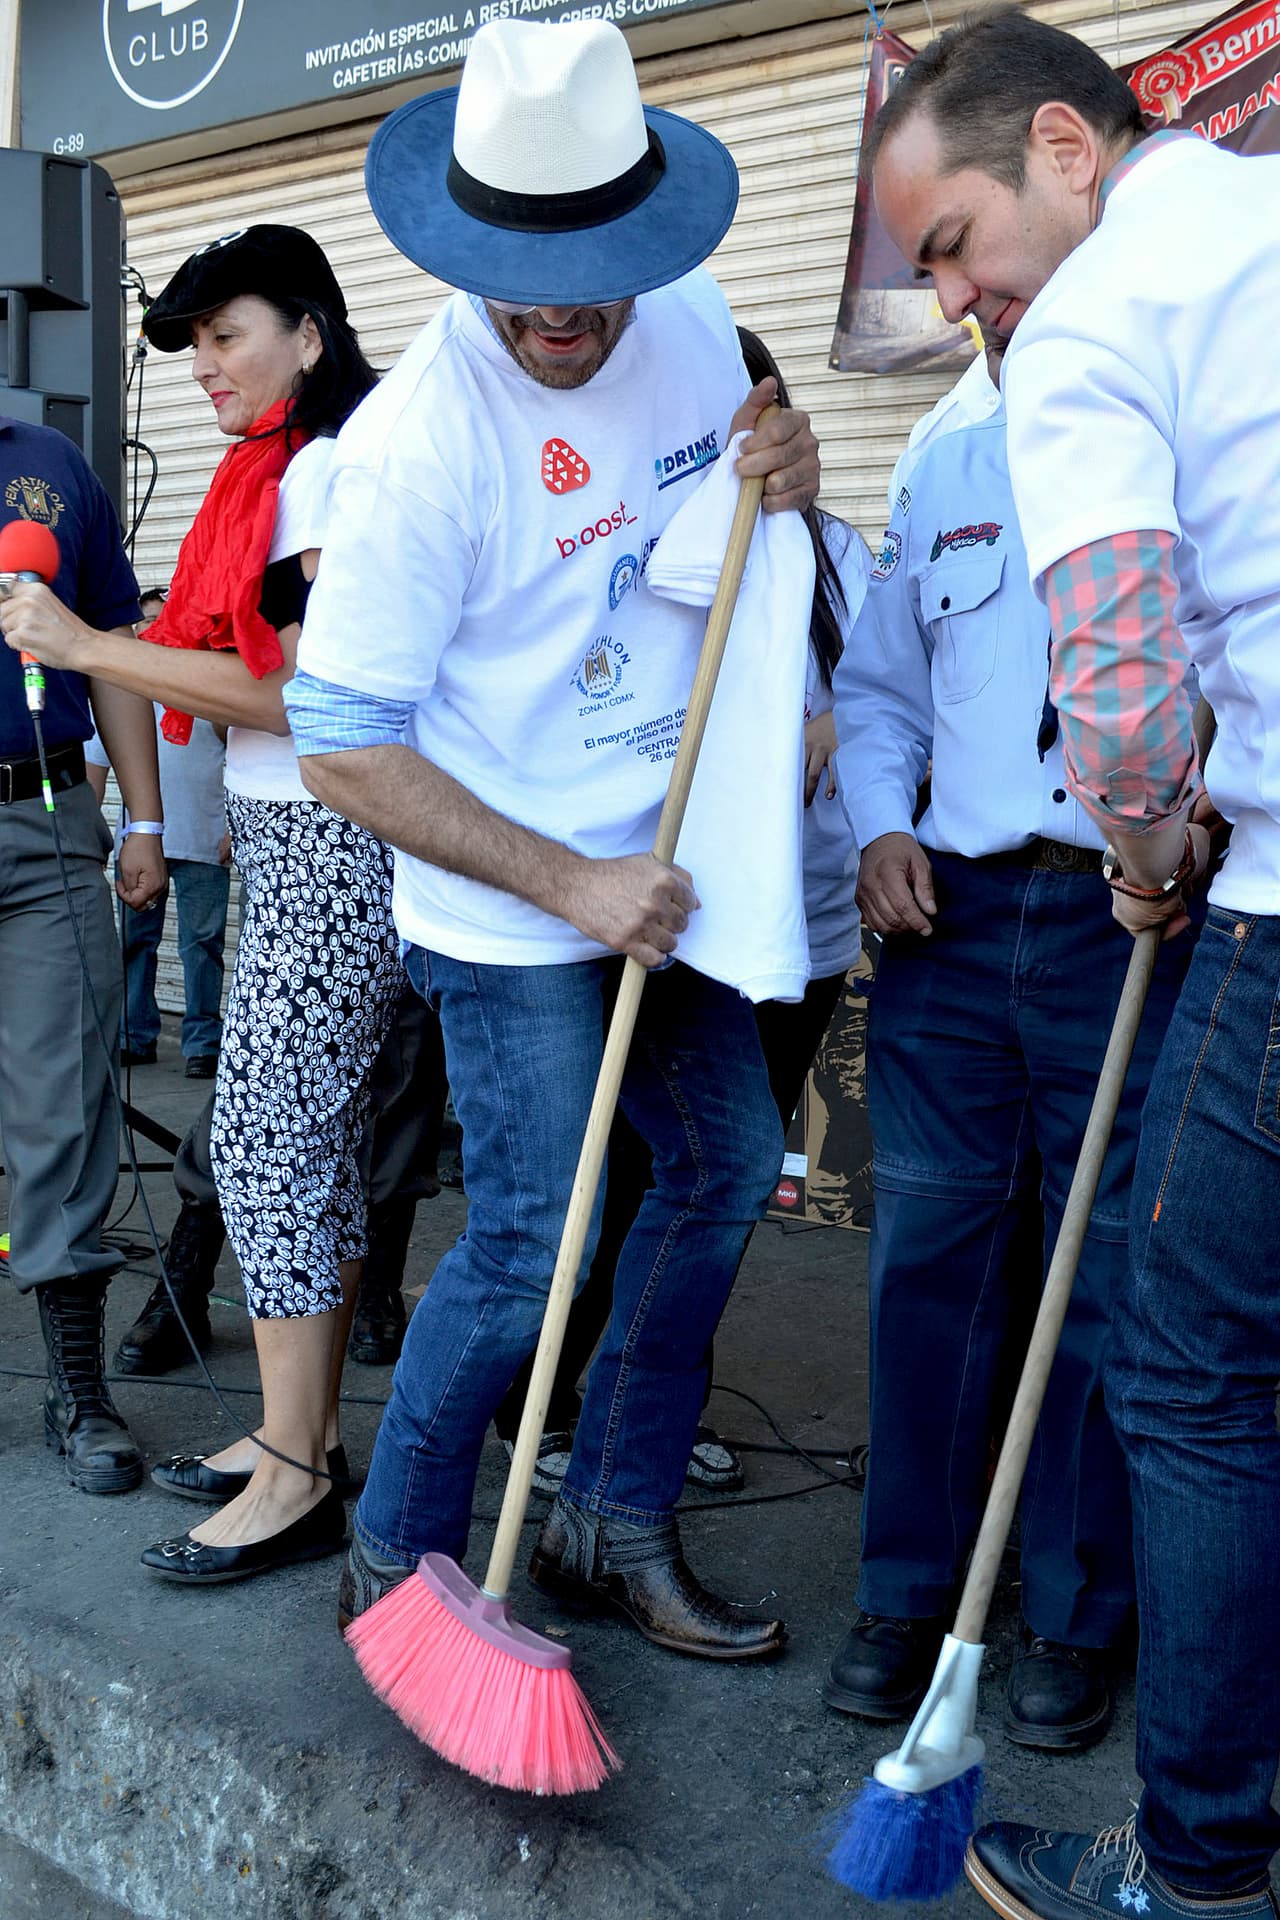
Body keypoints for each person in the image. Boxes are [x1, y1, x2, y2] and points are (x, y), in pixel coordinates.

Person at [286, 19, 820, 1659]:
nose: (576, 309)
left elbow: (752, 433)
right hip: (509, 896)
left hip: (669, 851)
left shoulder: (694, 312)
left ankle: (610, 1513)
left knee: (727, 1165)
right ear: (465, 247)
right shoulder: (407, 453)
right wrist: (570, 880)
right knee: (535, 1237)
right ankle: (402, 1549)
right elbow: (343, 750)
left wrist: (787, 456)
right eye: (538, 280)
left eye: (607, 267)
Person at [866, 9, 1280, 1918]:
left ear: (1062, 146)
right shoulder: (1258, 231)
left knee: (1187, 1369)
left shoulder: (1100, 321)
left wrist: (1149, 837)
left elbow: (1117, 671)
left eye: (949, 241)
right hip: (1058, 896)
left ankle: (1199, 1867)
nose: (950, 295)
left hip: (1260, 893)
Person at [1, 225, 403, 1582]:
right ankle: (299, 1436)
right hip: (291, 834)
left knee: (275, 1150)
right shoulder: (274, 474)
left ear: (310, 328)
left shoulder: (337, 470)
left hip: (336, 838)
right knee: (293, 1151)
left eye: (226, 336)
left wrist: (86, 645)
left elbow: (307, 697)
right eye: (191, 346)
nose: (205, 370)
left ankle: (296, 1473)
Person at [829, 322, 1195, 1751]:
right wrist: (880, 832)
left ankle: (1075, 1610)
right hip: (956, 919)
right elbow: (876, 696)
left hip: (1139, 922)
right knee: (934, 1266)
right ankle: (909, 1593)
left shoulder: (1191, 447)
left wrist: (1194, 830)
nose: (967, 295)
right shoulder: (950, 462)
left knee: (1106, 1277)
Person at [490, 325, 867, 1499]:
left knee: (720, 1187)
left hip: (801, 926)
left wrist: (840, 723)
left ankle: (646, 1409)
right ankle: (546, 1414)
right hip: (679, 924)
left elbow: (899, 698)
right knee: (631, 1173)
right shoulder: (659, 554)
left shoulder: (843, 552)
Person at [0, 414, 165, 1493]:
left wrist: (147, 821)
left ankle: (76, 1385)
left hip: (46, 823)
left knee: (65, 1105)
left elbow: (111, 643)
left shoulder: (48, 466)